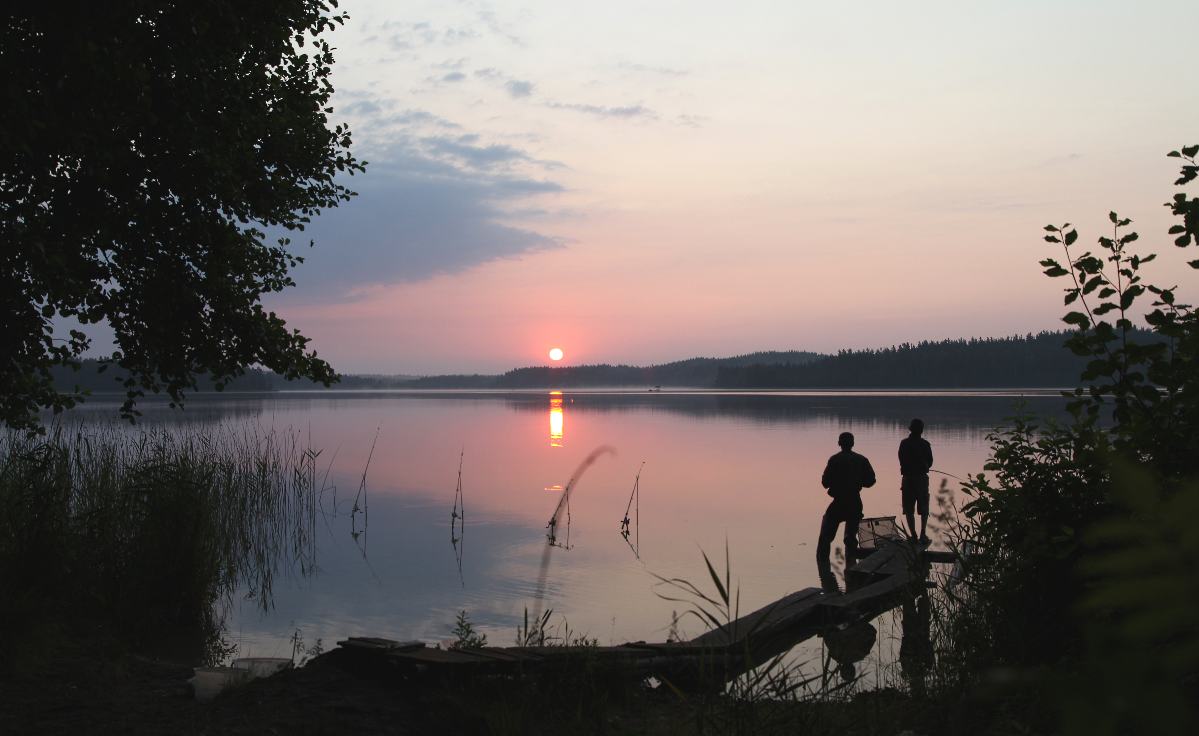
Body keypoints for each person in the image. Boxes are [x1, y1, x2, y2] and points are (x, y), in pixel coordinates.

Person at [817, 431, 876, 577]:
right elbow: (871, 480)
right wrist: (857, 481)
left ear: (839, 443)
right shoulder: (861, 459)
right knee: (850, 539)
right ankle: (851, 571)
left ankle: (824, 574)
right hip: (855, 502)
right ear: (853, 444)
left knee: (825, 538)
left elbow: (825, 483)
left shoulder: (834, 460)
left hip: (838, 503)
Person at [898, 418, 933, 543]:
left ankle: (913, 536)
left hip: (907, 479)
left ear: (910, 429)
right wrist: (924, 466)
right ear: (921, 430)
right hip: (921, 480)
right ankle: (922, 534)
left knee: (908, 509)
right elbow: (930, 463)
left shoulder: (904, 443)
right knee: (924, 508)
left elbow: (901, 460)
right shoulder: (925, 444)